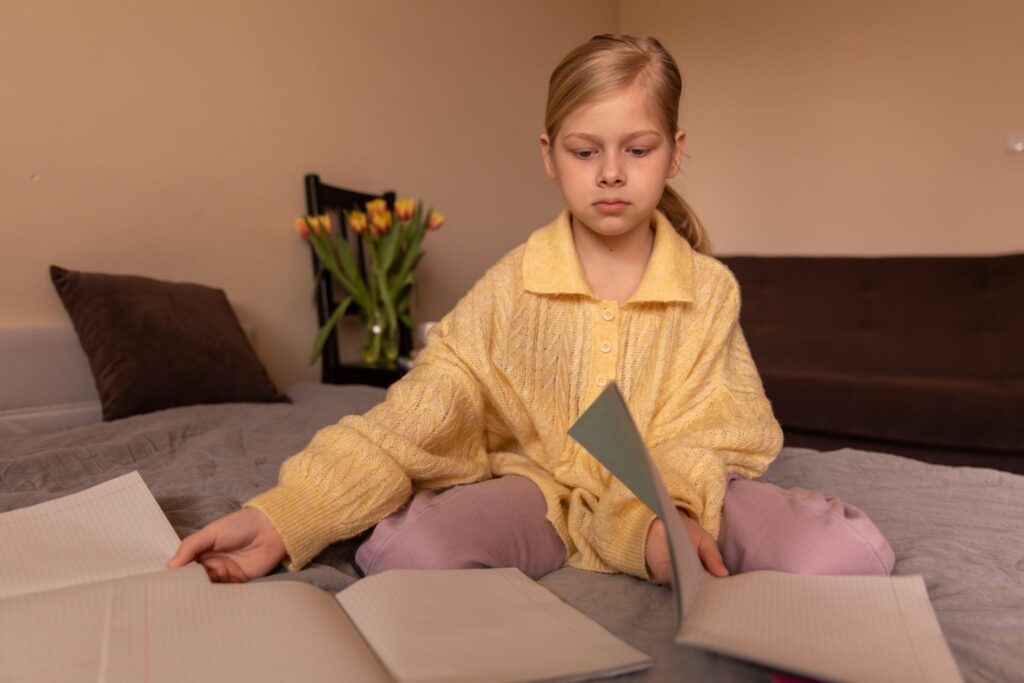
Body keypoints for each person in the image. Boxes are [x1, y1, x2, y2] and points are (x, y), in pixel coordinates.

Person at [168, 34, 894, 586]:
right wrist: (286, 513)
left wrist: (656, 519)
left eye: (636, 149)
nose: (610, 172)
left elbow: (721, 427)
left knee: (843, 553)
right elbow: (419, 411)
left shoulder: (709, 290)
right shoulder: (510, 285)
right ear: (550, 155)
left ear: (674, 153)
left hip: (671, 498)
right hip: (535, 492)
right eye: (585, 151)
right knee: (404, 550)